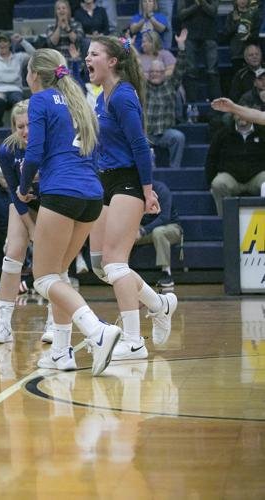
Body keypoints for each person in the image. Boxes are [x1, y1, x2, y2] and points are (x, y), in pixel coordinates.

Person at [18, 48, 121, 376]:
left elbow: (33, 153)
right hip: (92, 195)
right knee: (59, 275)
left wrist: (23, 185)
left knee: (43, 278)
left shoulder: (40, 100)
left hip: (62, 192)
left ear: (34, 75)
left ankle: (97, 330)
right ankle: (61, 352)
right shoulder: (82, 102)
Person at [86, 35, 177, 360]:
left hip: (128, 182)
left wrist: (147, 190)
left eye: (93, 53)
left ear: (112, 61)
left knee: (115, 263)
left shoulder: (123, 96)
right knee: (99, 265)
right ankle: (159, 304)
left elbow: (140, 146)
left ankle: (134, 341)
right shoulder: (101, 96)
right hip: (105, 182)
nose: (87, 58)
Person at [0, 99, 42, 344]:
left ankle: (55, 322)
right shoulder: (7, 151)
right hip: (22, 205)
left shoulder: (48, 144)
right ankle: (3, 323)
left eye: (30, 125)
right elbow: (12, 192)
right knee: (12, 256)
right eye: (20, 126)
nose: (26, 131)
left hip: (50, 203)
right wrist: (30, 226)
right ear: (13, 127)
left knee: (50, 261)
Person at [205, 109, 265, 216]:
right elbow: (211, 158)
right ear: (233, 116)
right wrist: (210, 181)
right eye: (238, 113)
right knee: (218, 183)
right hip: (231, 177)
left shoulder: (262, 132)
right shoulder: (223, 134)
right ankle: (225, 222)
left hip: (256, 177)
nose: (242, 116)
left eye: (245, 113)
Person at [146, 30, 189, 170]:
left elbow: (181, 68)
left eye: (158, 72)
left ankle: (174, 170)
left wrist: (181, 46)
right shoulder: (142, 86)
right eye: (152, 72)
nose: (155, 74)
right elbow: (127, 69)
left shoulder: (171, 84)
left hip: (164, 132)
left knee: (179, 137)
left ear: (164, 73)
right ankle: (145, 172)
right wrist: (127, 45)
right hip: (146, 133)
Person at [134, 180, 182, 289]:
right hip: (149, 230)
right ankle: (121, 271)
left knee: (159, 232)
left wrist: (143, 231)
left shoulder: (161, 190)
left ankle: (166, 273)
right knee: (127, 231)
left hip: (172, 227)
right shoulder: (134, 192)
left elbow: (164, 218)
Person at [178, 0, 221, 101]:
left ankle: (217, 106)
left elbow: (213, 11)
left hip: (209, 33)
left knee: (212, 70)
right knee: (190, 69)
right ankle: (192, 105)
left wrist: (201, 2)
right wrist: (196, 5)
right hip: (189, 33)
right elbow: (181, 14)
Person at [223, 0, 261, 76]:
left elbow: (256, 33)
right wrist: (236, 22)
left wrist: (248, 37)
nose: (242, 1)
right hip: (237, 53)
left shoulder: (254, 14)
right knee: (239, 78)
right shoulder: (231, 15)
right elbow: (226, 34)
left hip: (251, 53)